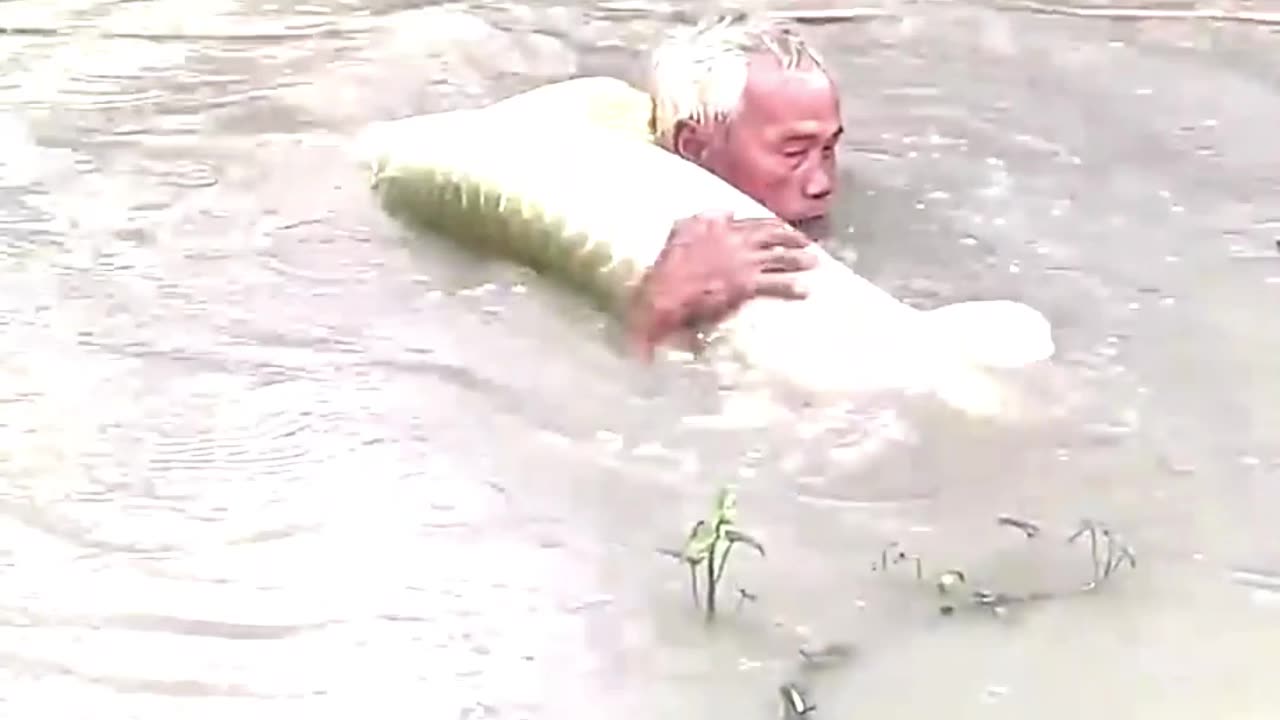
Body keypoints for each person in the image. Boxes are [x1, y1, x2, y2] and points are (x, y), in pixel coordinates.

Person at [626, 14, 844, 359]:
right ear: (695, 148)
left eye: (828, 149)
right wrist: (662, 305)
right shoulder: (632, 238)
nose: (822, 184)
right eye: (793, 153)